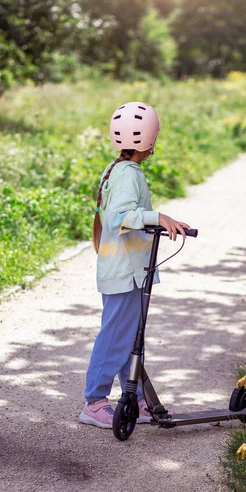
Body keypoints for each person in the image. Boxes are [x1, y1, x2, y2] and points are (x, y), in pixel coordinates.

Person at [79, 101, 190, 429]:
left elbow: (112, 215)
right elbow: (118, 218)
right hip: (124, 272)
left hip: (124, 269)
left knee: (130, 338)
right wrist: (158, 217)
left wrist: (155, 221)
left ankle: (138, 401)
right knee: (116, 337)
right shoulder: (128, 172)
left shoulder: (117, 168)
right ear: (151, 140)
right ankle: (95, 402)